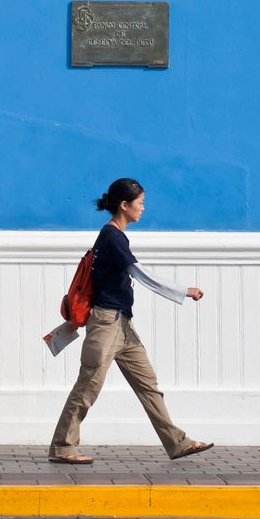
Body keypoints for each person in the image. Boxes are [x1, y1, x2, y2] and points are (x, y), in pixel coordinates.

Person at [48, 177, 214, 464]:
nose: (143, 209)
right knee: (87, 387)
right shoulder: (112, 237)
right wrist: (183, 290)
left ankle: (177, 443)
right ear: (124, 205)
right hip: (106, 324)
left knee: (148, 385)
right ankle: (63, 447)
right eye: (140, 203)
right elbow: (139, 273)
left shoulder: (115, 236)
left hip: (122, 324)